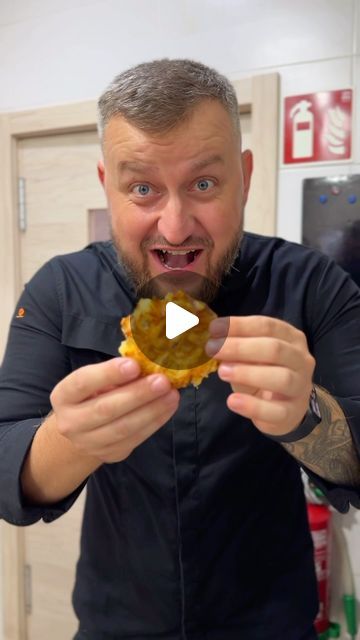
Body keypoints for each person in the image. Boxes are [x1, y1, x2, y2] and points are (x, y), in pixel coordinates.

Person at [0, 59, 359, 640]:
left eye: (203, 184)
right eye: (142, 187)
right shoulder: (59, 289)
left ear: (244, 175)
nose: (173, 229)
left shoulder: (313, 285)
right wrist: (68, 439)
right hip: (116, 620)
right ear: (106, 185)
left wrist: (307, 416)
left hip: (270, 621)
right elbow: (2, 462)